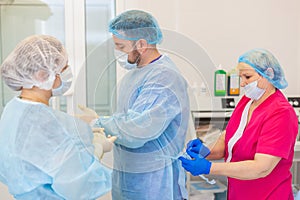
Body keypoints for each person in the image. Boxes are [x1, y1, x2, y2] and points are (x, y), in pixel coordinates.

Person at [79, 10, 190, 200]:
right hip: (128, 173)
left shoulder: (164, 77)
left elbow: (138, 129)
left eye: (121, 46)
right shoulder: (133, 75)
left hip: (154, 181)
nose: (118, 53)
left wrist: (98, 123)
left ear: (141, 44)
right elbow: (127, 118)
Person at [0, 35, 116, 199]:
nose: (68, 71)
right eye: (64, 67)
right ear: (42, 75)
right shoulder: (45, 123)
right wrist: (97, 148)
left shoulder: (14, 108)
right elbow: (79, 185)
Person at [179, 48, 298, 199]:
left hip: (268, 194)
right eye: (240, 77)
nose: (242, 84)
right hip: (239, 192)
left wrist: (209, 167)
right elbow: (228, 137)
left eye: (247, 77)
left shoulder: (281, 113)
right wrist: (206, 151)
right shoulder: (247, 102)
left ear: (268, 74)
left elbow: (261, 168)